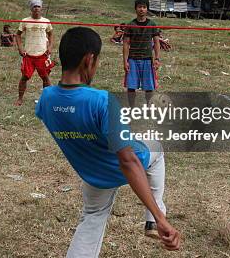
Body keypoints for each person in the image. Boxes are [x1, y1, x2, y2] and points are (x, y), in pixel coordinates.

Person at [35, 27, 180, 257]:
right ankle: (153, 219)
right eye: (98, 60)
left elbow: (69, 118)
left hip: (93, 174)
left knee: (91, 219)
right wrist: (161, 218)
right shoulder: (103, 101)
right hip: (121, 164)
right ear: (89, 59)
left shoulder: (45, 99)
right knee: (156, 148)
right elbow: (129, 161)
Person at [14, 0, 54, 106]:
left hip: (42, 54)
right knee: (25, 77)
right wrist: (20, 48)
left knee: (45, 77)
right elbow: (18, 34)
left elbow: (50, 34)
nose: (36, 8)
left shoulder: (46, 21)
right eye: (34, 6)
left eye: (38, 6)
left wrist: (50, 47)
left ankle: (47, 100)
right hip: (29, 55)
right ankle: (20, 99)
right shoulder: (25, 21)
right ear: (31, 9)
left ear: (41, 8)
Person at [123, 0, 161, 107]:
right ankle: (132, 109)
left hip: (147, 59)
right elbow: (126, 43)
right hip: (133, 59)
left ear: (147, 9)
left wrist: (157, 59)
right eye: (139, 7)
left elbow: (156, 42)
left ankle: (149, 108)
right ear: (135, 9)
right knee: (131, 86)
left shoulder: (152, 24)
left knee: (149, 87)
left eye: (144, 7)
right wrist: (125, 61)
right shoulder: (130, 25)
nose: (142, 9)